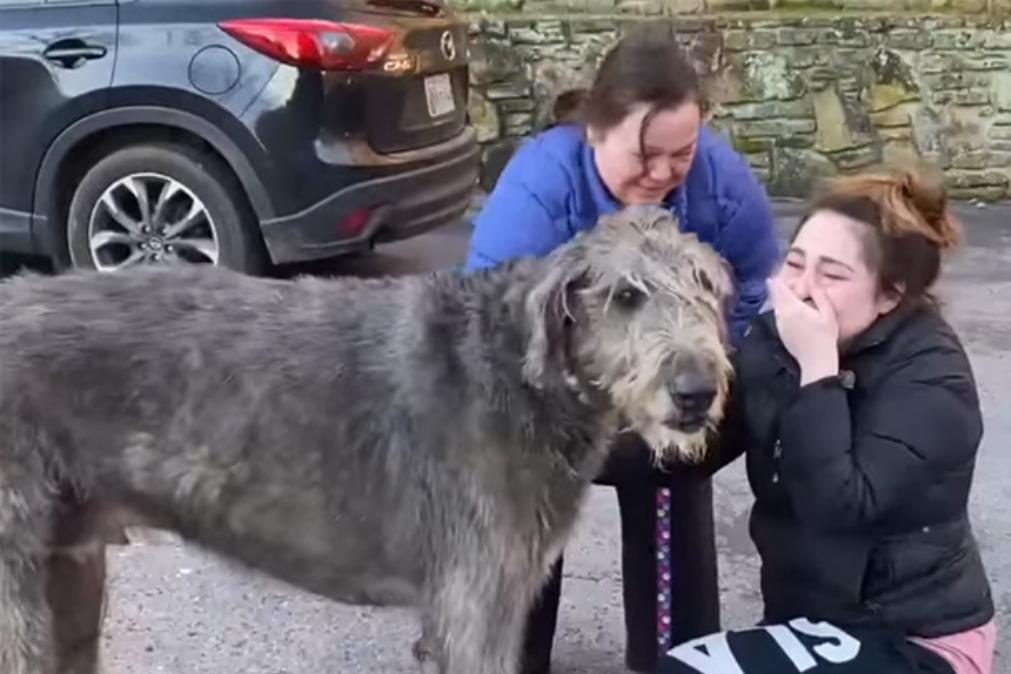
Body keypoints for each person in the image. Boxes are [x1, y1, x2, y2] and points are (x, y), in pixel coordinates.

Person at [463, 31, 781, 674]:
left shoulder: (719, 180)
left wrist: (717, 343)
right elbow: (483, 324)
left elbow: (759, 278)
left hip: (669, 392)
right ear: (595, 131)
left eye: (682, 153)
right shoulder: (541, 189)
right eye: (645, 153)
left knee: (674, 458)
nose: (664, 173)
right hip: (552, 391)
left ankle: (676, 657)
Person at [656, 167, 996, 674]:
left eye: (833, 275)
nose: (803, 290)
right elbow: (697, 449)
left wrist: (818, 372)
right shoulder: (774, 341)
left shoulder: (932, 378)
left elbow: (840, 509)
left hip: (917, 638)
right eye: (794, 265)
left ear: (891, 294)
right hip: (814, 624)